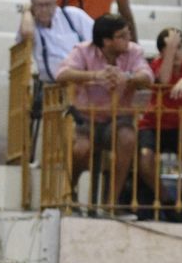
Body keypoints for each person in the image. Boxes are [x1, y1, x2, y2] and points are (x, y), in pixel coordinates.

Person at [56, 12, 150, 215]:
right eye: (122, 36)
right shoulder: (83, 50)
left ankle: (111, 201)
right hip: (85, 119)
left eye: (128, 34)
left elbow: (147, 77)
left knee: (127, 138)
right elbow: (62, 74)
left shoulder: (133, 51)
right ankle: (70, 191)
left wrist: (127, 77)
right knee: (80, 149)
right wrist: (95, 75)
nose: (128, 38)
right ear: (107, 41)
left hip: (118, 119)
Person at [137, 26, 182, 219]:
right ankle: (166, 200)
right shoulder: (155, 64)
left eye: (179, 47)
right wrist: (170, 54)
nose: (177, 52)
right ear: (161, 52)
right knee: (145, 160)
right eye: (171, 48)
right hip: (153, 125)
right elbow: (163, 79)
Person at [19, 0, 91, 90]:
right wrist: (26, 11)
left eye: (48, 5)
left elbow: (98, 39)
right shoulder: (30, 23)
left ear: (55, 3)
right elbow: (26, 33)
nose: (44, 10)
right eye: (39, 5)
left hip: (82, 82)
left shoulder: (73, 15)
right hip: (52, 87)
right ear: (32, 5)